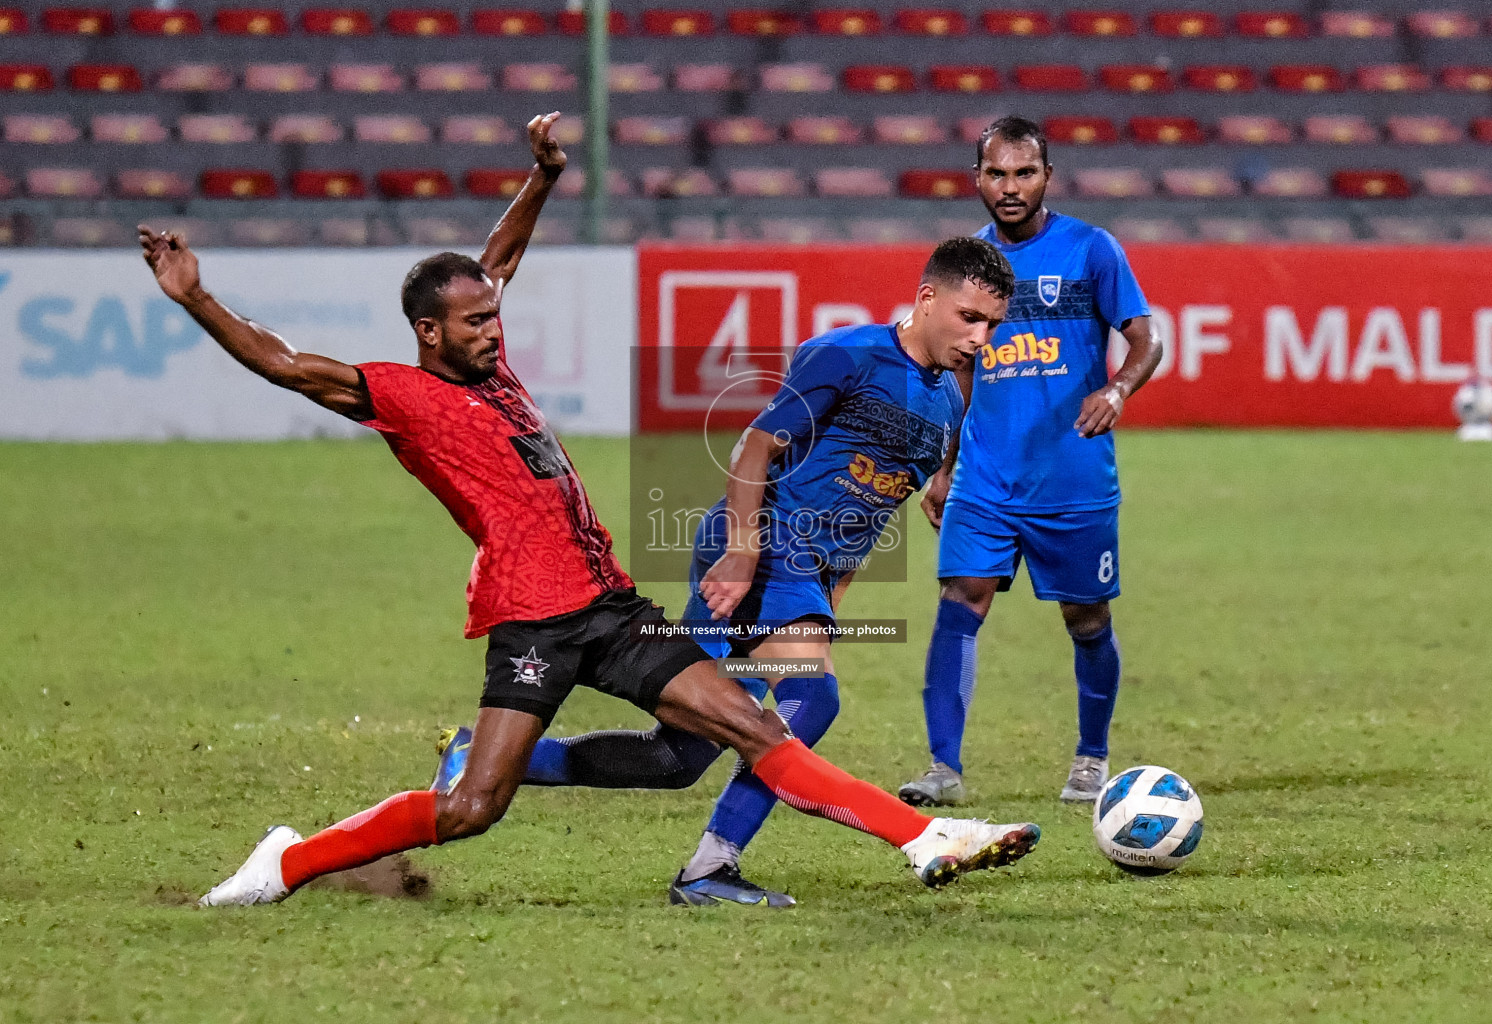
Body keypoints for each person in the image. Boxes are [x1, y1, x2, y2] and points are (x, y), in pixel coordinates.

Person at [138, 112, 1038, 907]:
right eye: (476, 325)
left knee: (747, 727)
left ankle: (922, 838)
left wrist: (544, 178)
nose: (494, 331)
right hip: (532, 619)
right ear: (429, 334)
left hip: (608, 606)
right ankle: (287, 864)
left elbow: (498, 263)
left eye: (496, 318)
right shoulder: (402, 395)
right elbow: (289, 363)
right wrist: (198, 300)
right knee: (470, 810)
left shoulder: (493, 362)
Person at [431, 237, 1027, 908]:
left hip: (803, 575)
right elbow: (754, 447)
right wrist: (742, 554)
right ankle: (711, 868)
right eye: (969, 317)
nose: (981, 337)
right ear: (926, 299)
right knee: (813, 696)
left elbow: (874, 503)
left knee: (675, 758)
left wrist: (833, 593)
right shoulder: (847, 355)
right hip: (759, 548)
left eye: (992, 325)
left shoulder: (949, 400)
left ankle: (476, 756)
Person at [898, 115, 1163, 808]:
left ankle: (1091, 757)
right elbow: (957, 373)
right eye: (997, 173)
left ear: (1048, 177)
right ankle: (943, 770)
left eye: (1024, 173)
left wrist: (1117, 387)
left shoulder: (1091, 250)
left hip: (1071, 477)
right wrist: (945, 464)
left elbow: (1145, 338)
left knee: (1086, 619)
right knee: (960, 600)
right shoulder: (965, 268)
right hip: (986, 477)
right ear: (976, 179)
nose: (1010, 187)